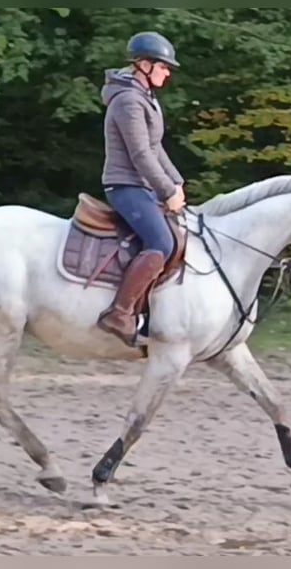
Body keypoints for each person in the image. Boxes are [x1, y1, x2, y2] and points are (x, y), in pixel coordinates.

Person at [96, 31, 186, 347]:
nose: (167, 72)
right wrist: (166, 191)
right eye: (163, 66)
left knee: (177, 236)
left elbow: (155, 147)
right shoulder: (127, 101)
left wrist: (176, 182)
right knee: (161, 241)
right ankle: (119, 313)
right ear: (143, 65)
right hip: (125, 185)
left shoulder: (145, 98)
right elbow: (140, 154)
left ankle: (150, 314)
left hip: (144, 185)